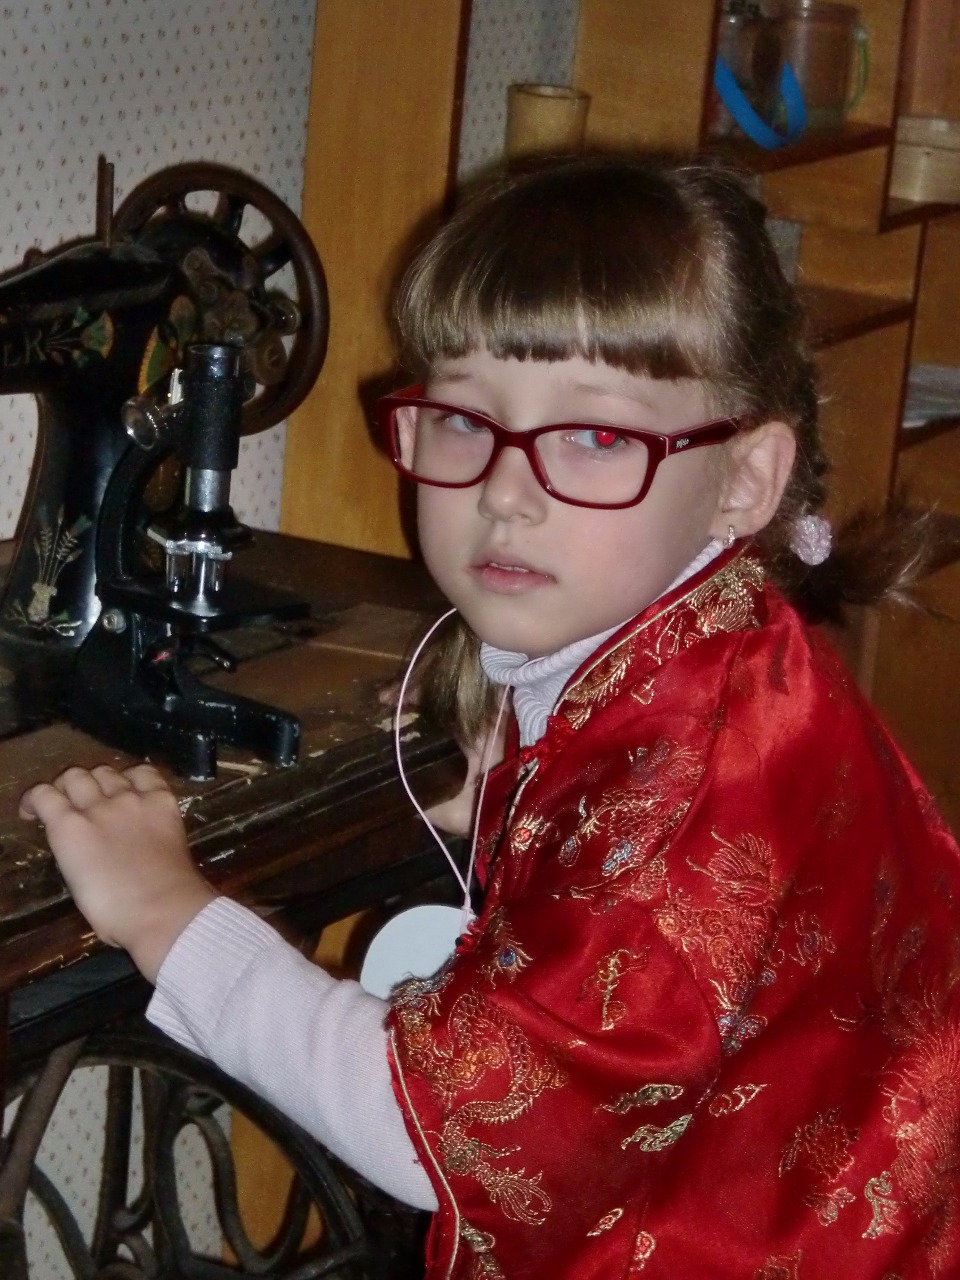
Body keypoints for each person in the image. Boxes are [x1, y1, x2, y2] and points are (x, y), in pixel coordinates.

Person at [20, 154, 960, 1279]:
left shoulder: (677, 792)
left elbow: (427, 1133)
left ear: (744, 479)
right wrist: (524, 796)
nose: (506, 493)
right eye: (464, 418)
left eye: (597, 438)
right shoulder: (728, 652)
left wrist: (166, 911)